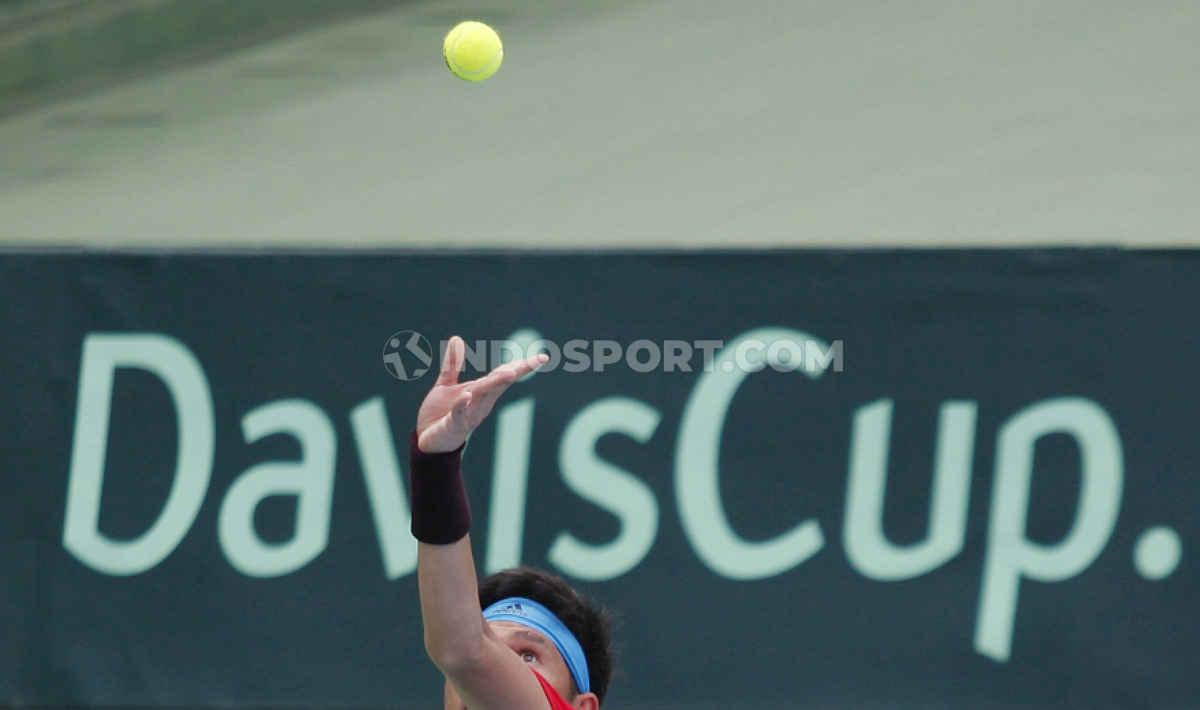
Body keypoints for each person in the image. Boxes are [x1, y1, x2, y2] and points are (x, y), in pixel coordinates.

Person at [409, 336, 615, 710]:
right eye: (496, 648)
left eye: (526, 656)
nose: (497, 670)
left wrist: (436, 467)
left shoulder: (465, 655)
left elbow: (465, 652)